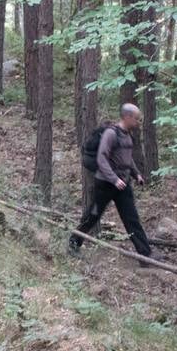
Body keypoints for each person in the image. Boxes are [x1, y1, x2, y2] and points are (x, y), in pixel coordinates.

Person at [69, 104, 154, 262]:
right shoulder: (110, 134)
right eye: (136, 119)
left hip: (123, 184)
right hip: (105, 184)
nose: (138, 122)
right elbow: (102, 159)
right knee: (93, 215)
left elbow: (127, 158)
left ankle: (145, 255)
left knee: (131, 218)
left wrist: (136, 174)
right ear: (127, 117)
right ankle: (74, 243)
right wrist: (114, 179)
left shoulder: (127, 135)